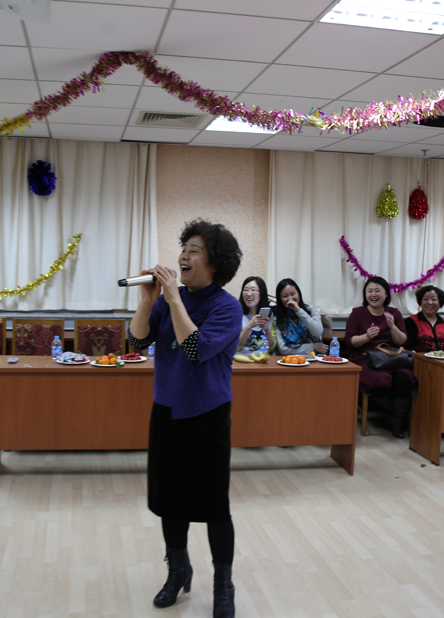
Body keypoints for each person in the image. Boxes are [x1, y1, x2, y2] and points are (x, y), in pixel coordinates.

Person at [127, 219, 242, 618]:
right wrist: (148, 301)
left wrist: (174, 299)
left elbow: (194, 348)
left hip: (207, 414)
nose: (183, 256)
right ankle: (178, 570)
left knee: (214, 505)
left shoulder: (226, 307)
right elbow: (137, 341)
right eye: (184, 248)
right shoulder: (166, 300)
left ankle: (223, 584)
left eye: (195, 250)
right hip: (166, 409)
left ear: (216, 263)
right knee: (169, 502)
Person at [345, 276, 416, 439]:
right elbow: (349, 341)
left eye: (378, 290)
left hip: (392, 359)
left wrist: (393, 327)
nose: (373, 294)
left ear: (386, 294)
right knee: (381, 378)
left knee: (404, 377)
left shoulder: (394, 313)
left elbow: (403, 341)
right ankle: (397, 417)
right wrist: (366, 336)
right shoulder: (358, 313)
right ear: (365, 294)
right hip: (364, 359)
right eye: (369, 291)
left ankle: (396, 422)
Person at [272, 278, 329, 355]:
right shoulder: (277, 318)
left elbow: (317, 332)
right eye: (285, 296)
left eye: (293, 294)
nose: (290, 299)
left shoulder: (312, 311)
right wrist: (312, 347)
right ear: (280, 299)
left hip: (316, 357)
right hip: (292, 360)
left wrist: (298, 310)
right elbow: (284, 350)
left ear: (298, 293)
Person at [404, 285, 444, 352]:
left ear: (440, 303)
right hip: (420, 358)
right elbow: (409, 348)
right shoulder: (412, 321)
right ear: (420, 302)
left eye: (434, 299)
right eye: (426, 299)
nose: (430, 302)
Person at [236, 276, 276, 356]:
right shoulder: (237, 315)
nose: (249, 294)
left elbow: (272, 348)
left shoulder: (270, 315)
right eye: (246, 290)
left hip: (265, 359)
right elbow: (236, 347)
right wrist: (249, 326)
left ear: (262, 293)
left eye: (253, 290)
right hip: (244, 359)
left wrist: (267, 331)